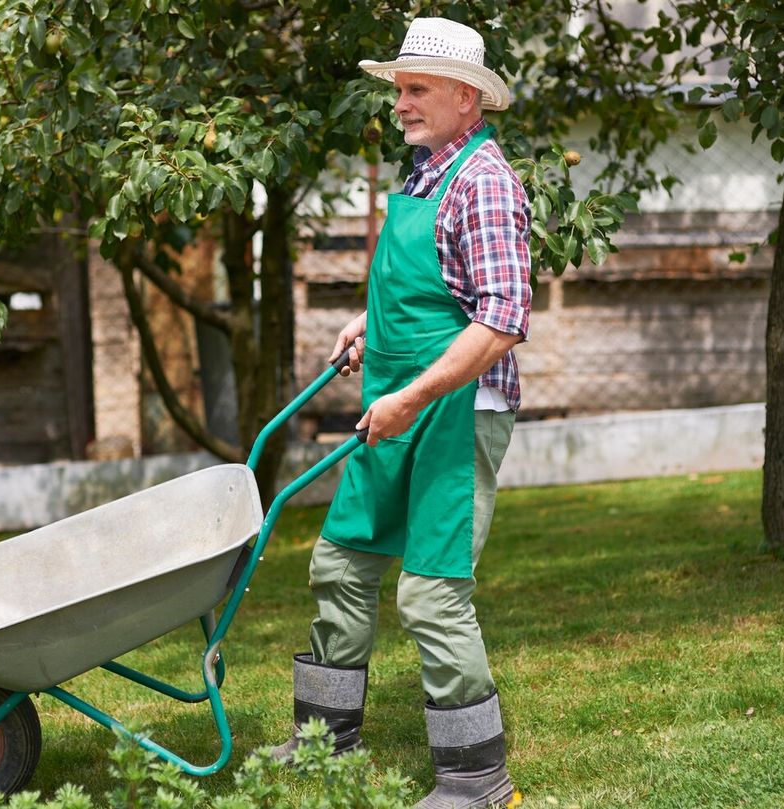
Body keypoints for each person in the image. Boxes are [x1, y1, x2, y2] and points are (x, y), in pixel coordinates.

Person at [271, 17, 532, 809]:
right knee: (341, 562)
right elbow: (431, 288)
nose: (401, 104)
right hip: (395, 400)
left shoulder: (485, 181)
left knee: (431, 591)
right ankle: (326, 743)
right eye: (400, 89)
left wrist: (412, 395)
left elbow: (499, 321)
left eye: (416, 89)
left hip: (451, 412)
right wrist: (366, 324)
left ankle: (478, 779)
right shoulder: (428, 172)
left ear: (466, 97)